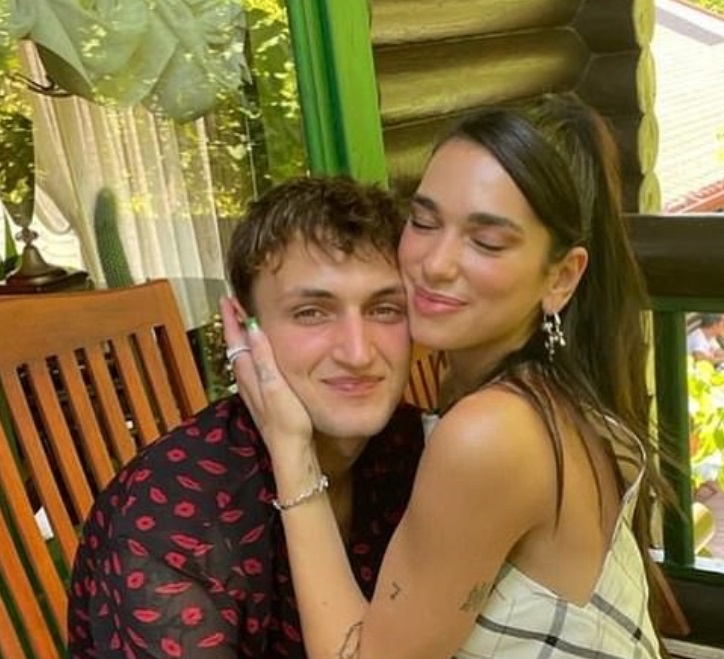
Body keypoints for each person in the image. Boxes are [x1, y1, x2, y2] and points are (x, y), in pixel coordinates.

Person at [224, 92, 674, 659]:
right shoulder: (548, 386)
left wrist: (291, 453)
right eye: (423, 221)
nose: (435, 264)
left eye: (486, 241)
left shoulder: (492, 432)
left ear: (561, 277)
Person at [66, 176, 425, 658]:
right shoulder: (175, 527)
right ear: (241, 326)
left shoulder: (414, 451)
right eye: (312, 312)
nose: (358, 353)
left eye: (385, 309)